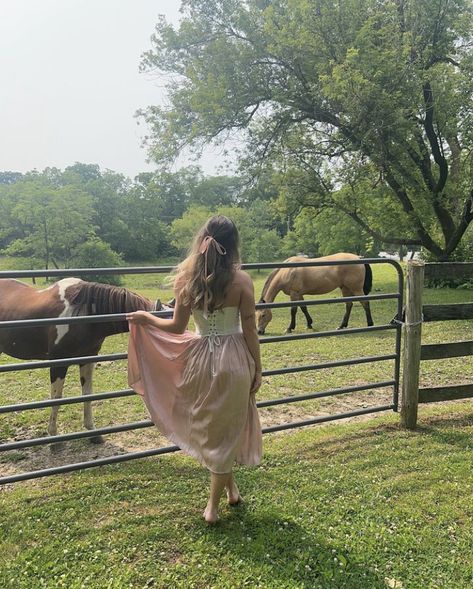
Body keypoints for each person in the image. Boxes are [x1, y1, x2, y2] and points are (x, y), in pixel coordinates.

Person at [126, 215, 263, 523]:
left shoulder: (186, 279)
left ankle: (232, 493)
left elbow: (176, 327)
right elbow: (251, 328)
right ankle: (212, 509)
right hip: (235, 359)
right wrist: (258, 367)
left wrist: (147, 319)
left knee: (212, 428)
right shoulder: (242, 281)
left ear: (203, 239)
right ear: (233, 245)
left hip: (200, 359)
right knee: (226, 429)